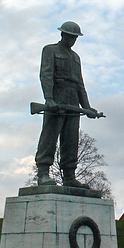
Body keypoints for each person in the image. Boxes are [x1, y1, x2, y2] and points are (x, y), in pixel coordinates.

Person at [34, 21, 99, 187]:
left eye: (75, 38)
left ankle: (69, 176)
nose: (72, 40)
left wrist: (87, 107)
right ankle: (43, 173)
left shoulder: (75, 57)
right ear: (62, 35)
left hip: (73, 100)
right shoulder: (50, 50)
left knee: (71, 139)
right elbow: (46, 75)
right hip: (57, 96)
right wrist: (49, 98)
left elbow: (80, 84)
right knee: (49, 136)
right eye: (70, 36)